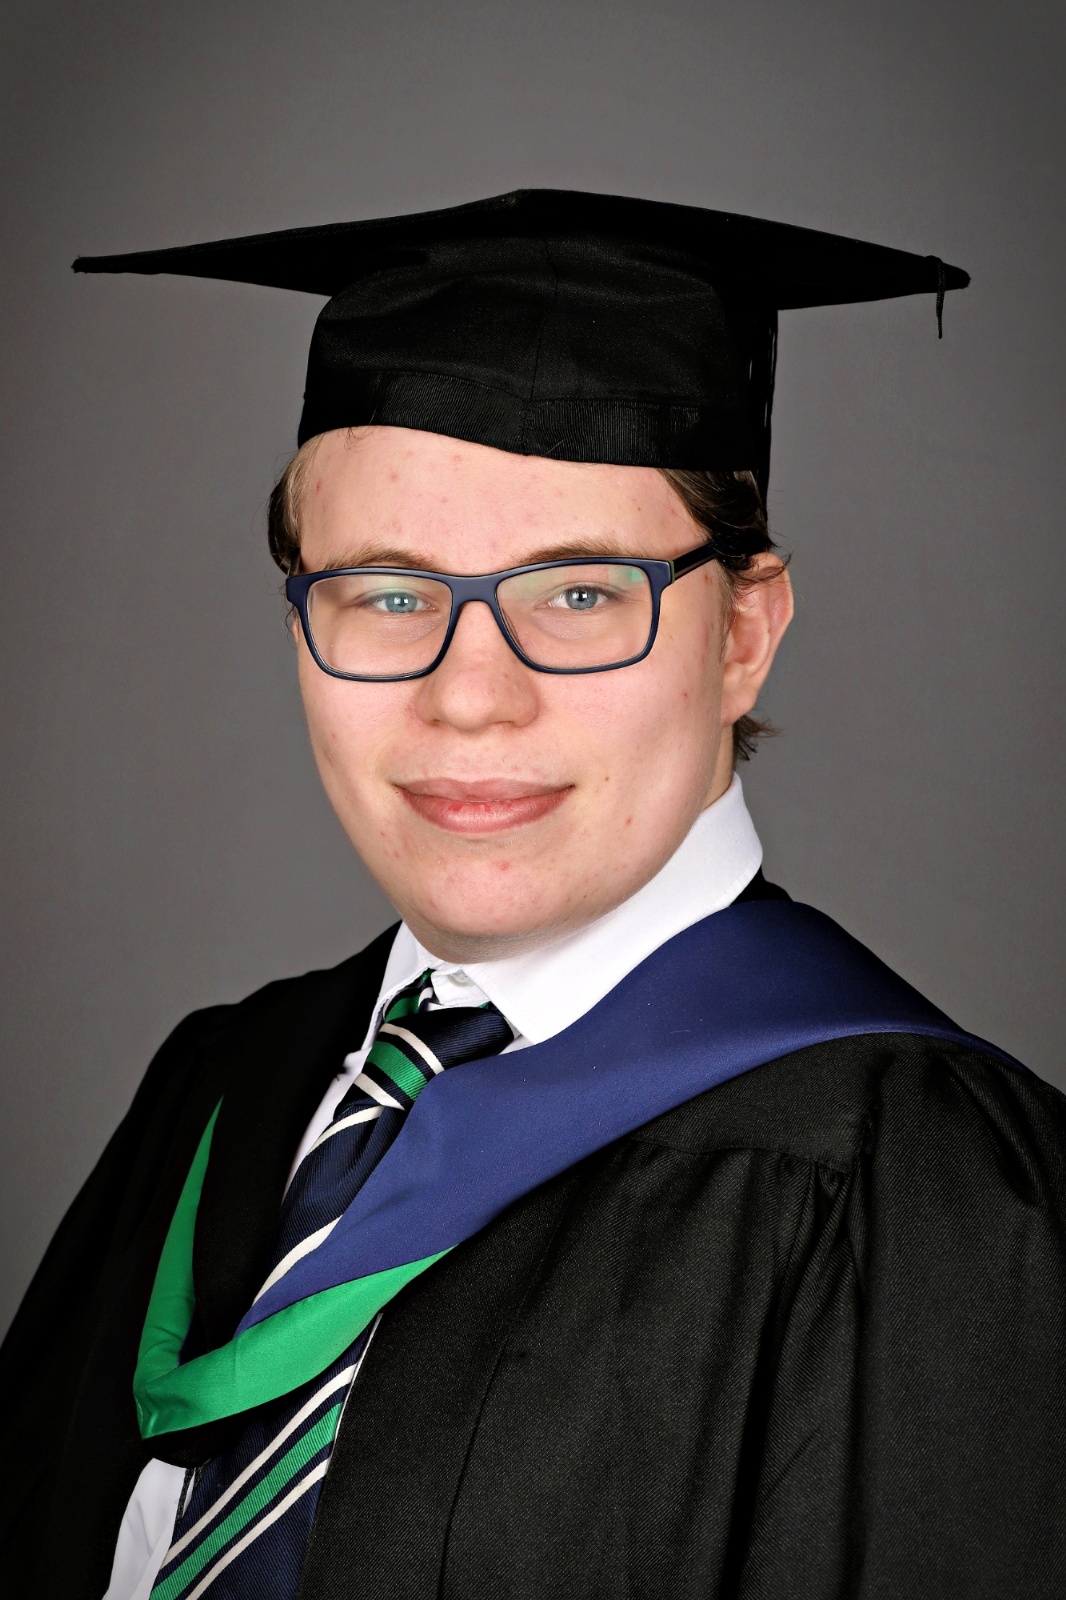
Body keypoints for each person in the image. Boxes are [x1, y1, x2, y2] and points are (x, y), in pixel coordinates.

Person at [2, 190, 1064, 1600]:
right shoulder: (221, 1086)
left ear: (742, 635)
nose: (469, 698)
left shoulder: (916, 1187)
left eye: (577, 595)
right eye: (387, 593)